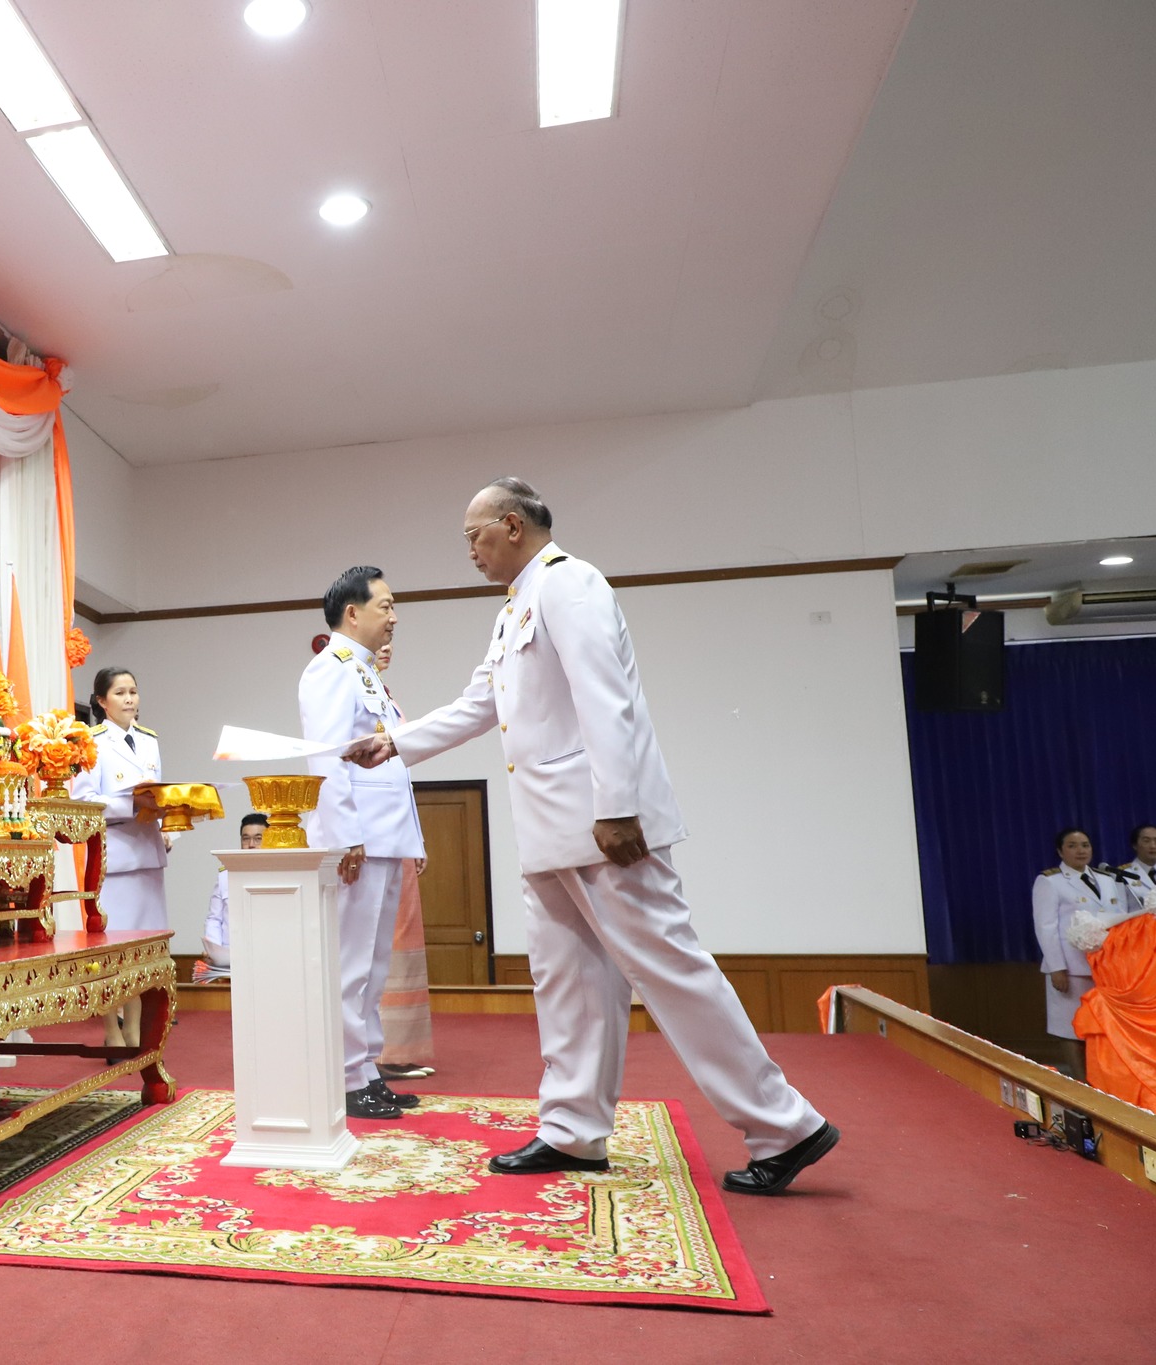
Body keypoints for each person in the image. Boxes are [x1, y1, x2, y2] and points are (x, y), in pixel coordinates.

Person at [346, 477, 837, 1195]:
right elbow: (479, 702)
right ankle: (574, 1130)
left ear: (512, 525)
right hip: (550, 829)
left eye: (475, 535)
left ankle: (785, 1123)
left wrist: (619, 806)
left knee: (671, 969)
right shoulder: (517, 605)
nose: (471, 550)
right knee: (568, 983)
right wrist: (394, 742)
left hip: (602, 825)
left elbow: (605, 696)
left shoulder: (571, 584)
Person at [301, 567, 427, 1120]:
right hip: (359, 841)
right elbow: (328, 758)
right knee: (351, 966)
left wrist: (412, 837)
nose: (394, 617)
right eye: (386, 605)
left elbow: (394, 763)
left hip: (384, 837)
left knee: (374, 967)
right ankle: (347, 1077)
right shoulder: (330, 669)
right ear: (353, 613)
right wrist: (345, 836)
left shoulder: (365, 673)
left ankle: (366, 1069)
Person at [70, 666, 166, 1046]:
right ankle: (111, 1031)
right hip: (115, 853)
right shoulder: (90, 742)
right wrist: (130, 804)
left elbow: (158, 792)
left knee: (145, 949)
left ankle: (136, 1030)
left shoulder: (150, 740)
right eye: (121, 693)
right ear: (101, 701)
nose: (129, 699)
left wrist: (171, 813)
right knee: (113, 951)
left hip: (149, 852)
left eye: (134, 691)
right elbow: (83, 800)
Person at [372, 641, 437, 1081]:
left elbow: (402, 779)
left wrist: (416, 838)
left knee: (404, 932)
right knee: (378, 942)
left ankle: (401, 1047)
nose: (389, 646)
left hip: (398, 832)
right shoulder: (351, 691)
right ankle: (377, 1050)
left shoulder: (386, 697)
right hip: (373, 834)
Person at [1033, 827, 1134, 1080]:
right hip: (1071, 967)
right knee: (1070, 1027)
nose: (1081, 850)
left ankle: (1102, 1080)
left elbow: (1119, 919)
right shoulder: (1050, 881)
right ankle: (1081, 1085)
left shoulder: (1108, 879)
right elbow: (1046, 928)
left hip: (1105, 967)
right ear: (1060, 850)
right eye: (1073, 845)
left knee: (1100, 1027)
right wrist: (1057, 967)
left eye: (1085, 845)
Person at [200, 814, 269, 974]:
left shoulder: (280, 876)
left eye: (258, 839)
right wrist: (214, 950)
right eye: (246, 839)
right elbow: (214, 919)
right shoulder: (226, 876)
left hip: (266, 958)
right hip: (229, 961)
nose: (251, 845)